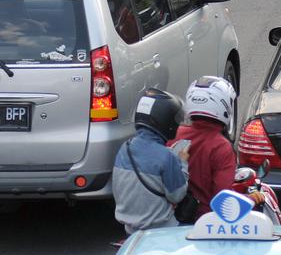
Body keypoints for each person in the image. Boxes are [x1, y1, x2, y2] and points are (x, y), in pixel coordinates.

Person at [169, 75, 266, 217]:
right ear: (224, 105)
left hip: (170, 218)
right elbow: (222, 198)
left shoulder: (175, 134)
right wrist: (250, 199)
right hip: (206, 222)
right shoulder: (221, 147)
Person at [113, 88, 190, 234]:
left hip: (129, 229)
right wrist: (183, 163)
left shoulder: (125, 148)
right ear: (165, 121)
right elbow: (177, 195)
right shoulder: (167, 157)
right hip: (161, 229)